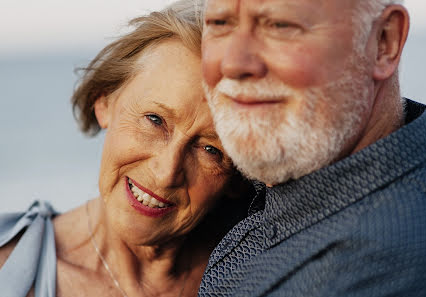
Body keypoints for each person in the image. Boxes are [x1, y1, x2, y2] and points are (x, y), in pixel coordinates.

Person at [0, 1, 253, 296]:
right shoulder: (9, 267)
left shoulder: (260, 277)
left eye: (210, 150)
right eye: (155, 120)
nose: (166, 172)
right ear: (104, 101)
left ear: (238, 175)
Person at [199, 0, 426, 296]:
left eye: (280, 25)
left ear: (384, 41)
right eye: (219, 24)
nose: (233, 63)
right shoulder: (287, 173)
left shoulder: (385, 268)